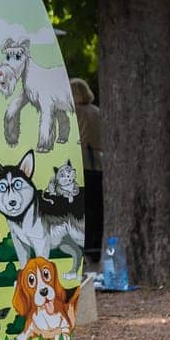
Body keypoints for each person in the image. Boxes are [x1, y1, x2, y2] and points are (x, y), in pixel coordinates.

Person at [71, 78, 104, 262]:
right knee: (97, 208)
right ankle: (97, 247)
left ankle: (86, 249)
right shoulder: (97, 111)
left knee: (83, 211)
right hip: (99, 163)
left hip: (80, 163)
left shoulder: (73, 113)